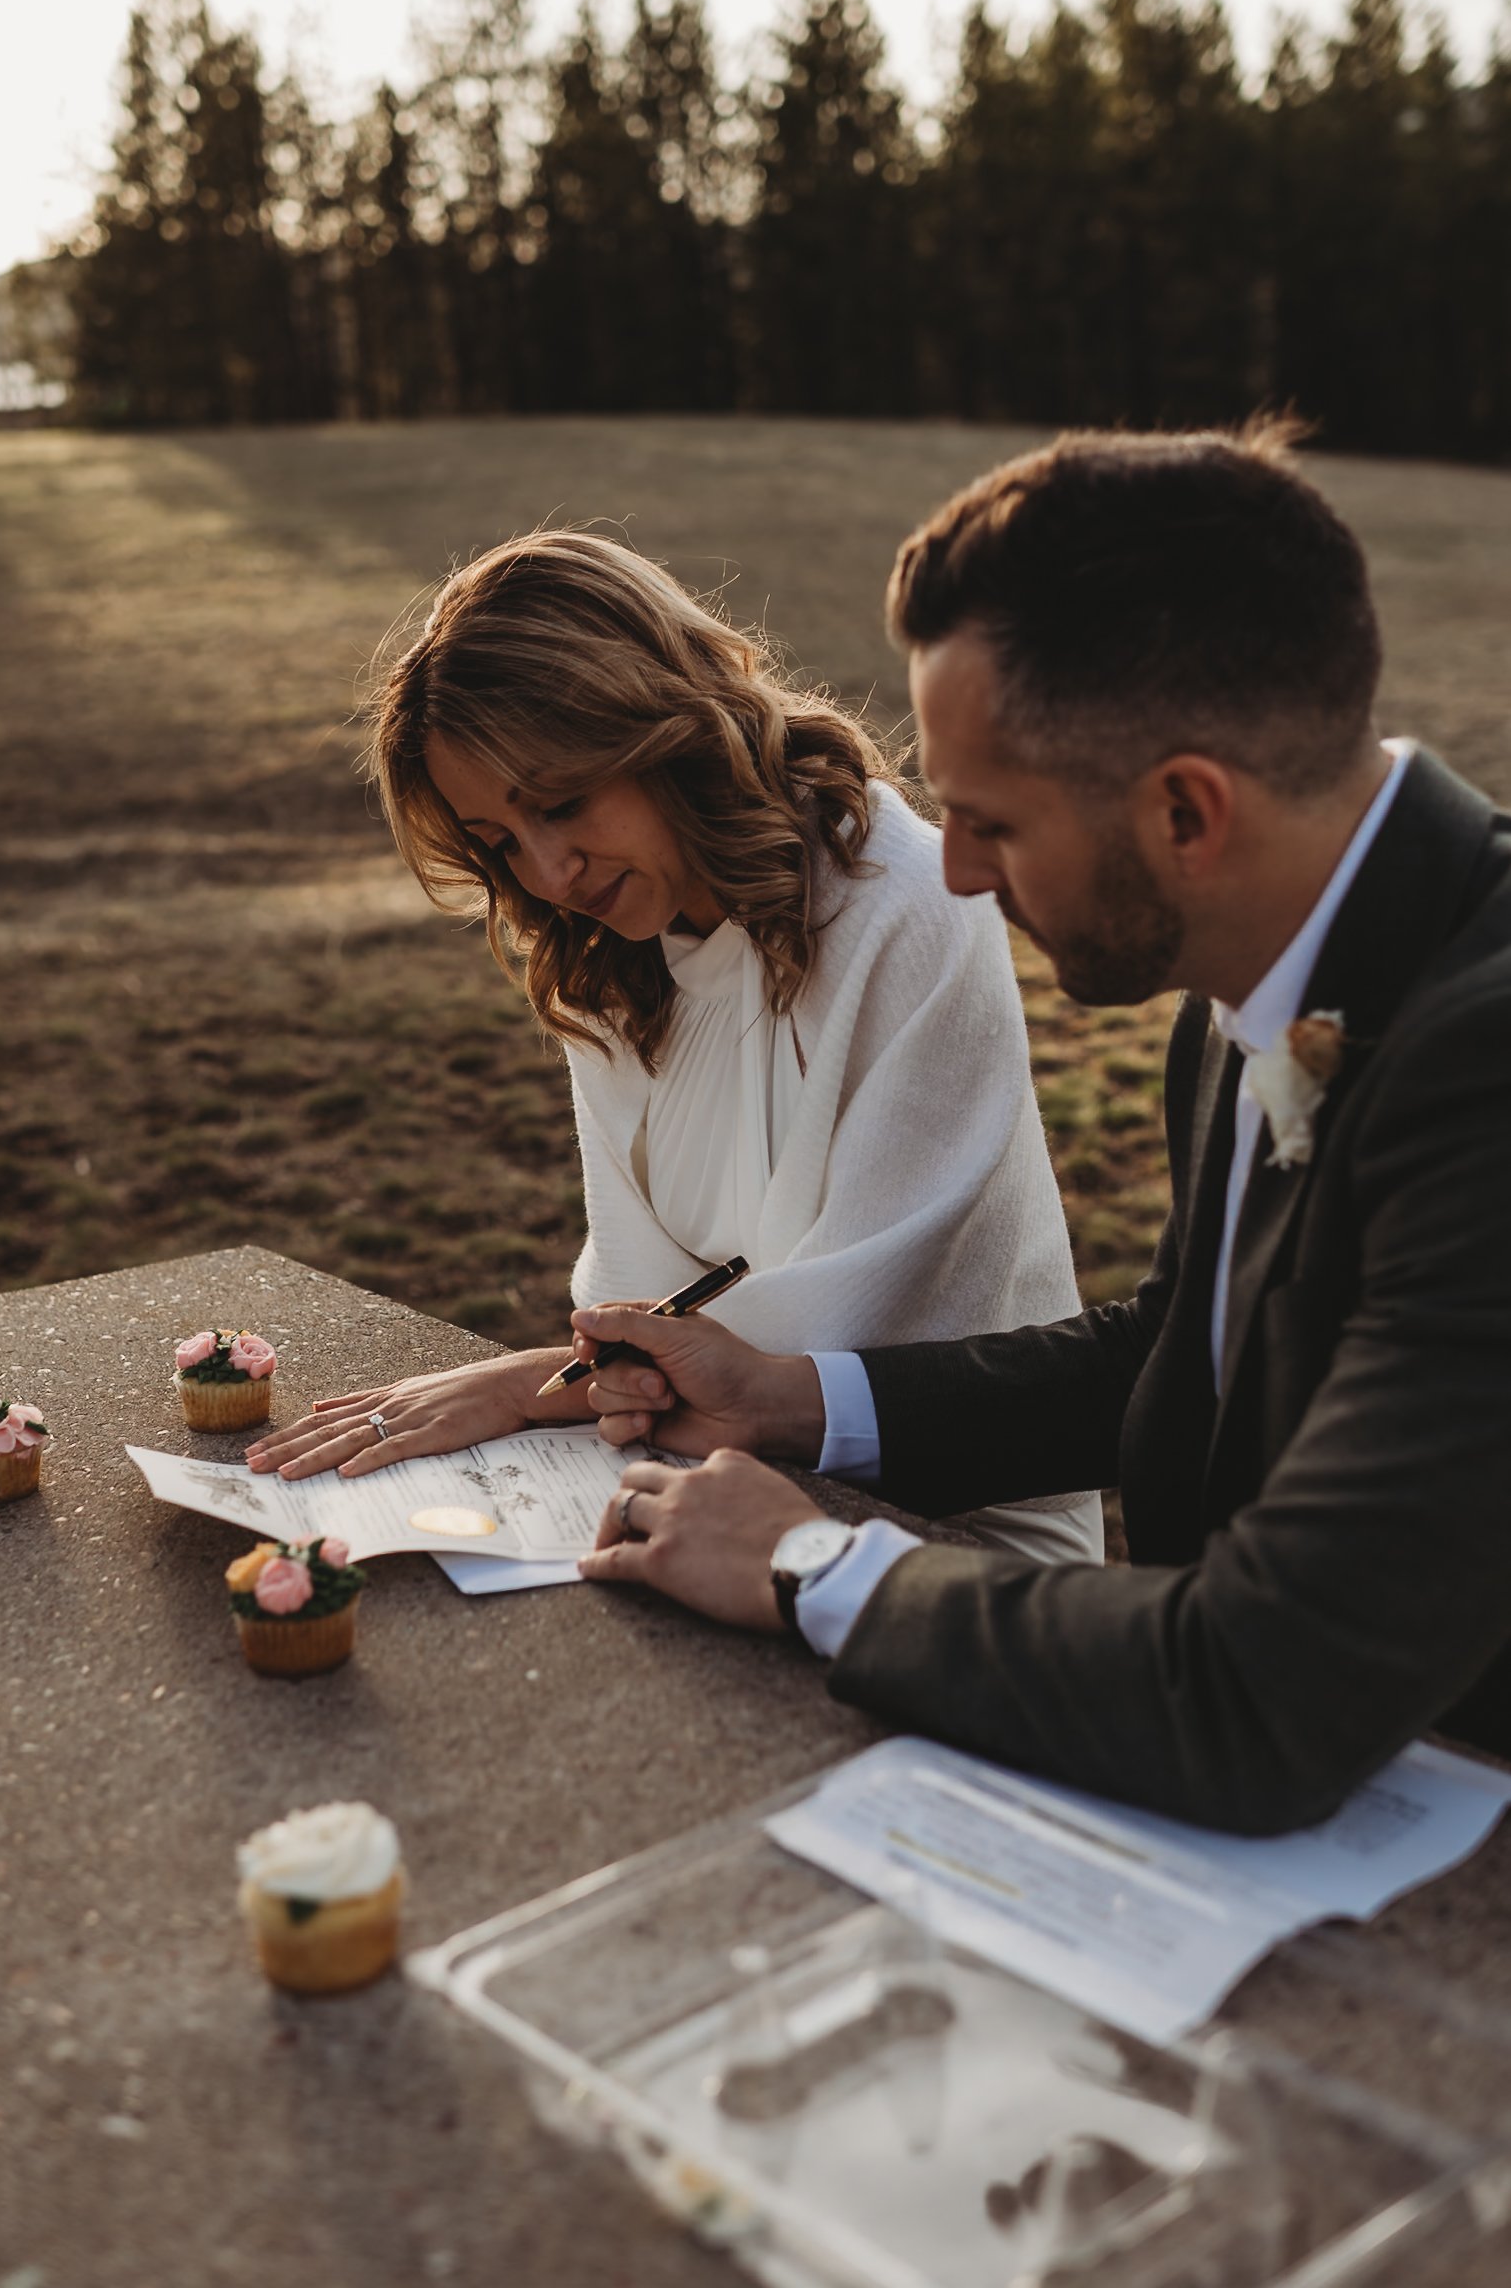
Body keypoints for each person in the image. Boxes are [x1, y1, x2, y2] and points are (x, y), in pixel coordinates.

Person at [572, 424, 1511, 1833]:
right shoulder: (1248, 997)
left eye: (986, 823)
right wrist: (793, 1400)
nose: (948, 872)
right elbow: (1192, 1340)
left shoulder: (1486, 1065)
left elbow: (1257, 1689)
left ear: (1184, 811)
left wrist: (816, 1571)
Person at [248, 528, 1101, 1565]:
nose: (550, 872)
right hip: (698, 1470)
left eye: (562, 803)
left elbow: (841, 1337)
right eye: (500, 842)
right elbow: (640, 1321)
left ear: (667, 728)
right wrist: (586, 1379)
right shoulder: (609, 956)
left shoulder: (911, 904)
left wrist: (521, 1385)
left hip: (952, 1525)